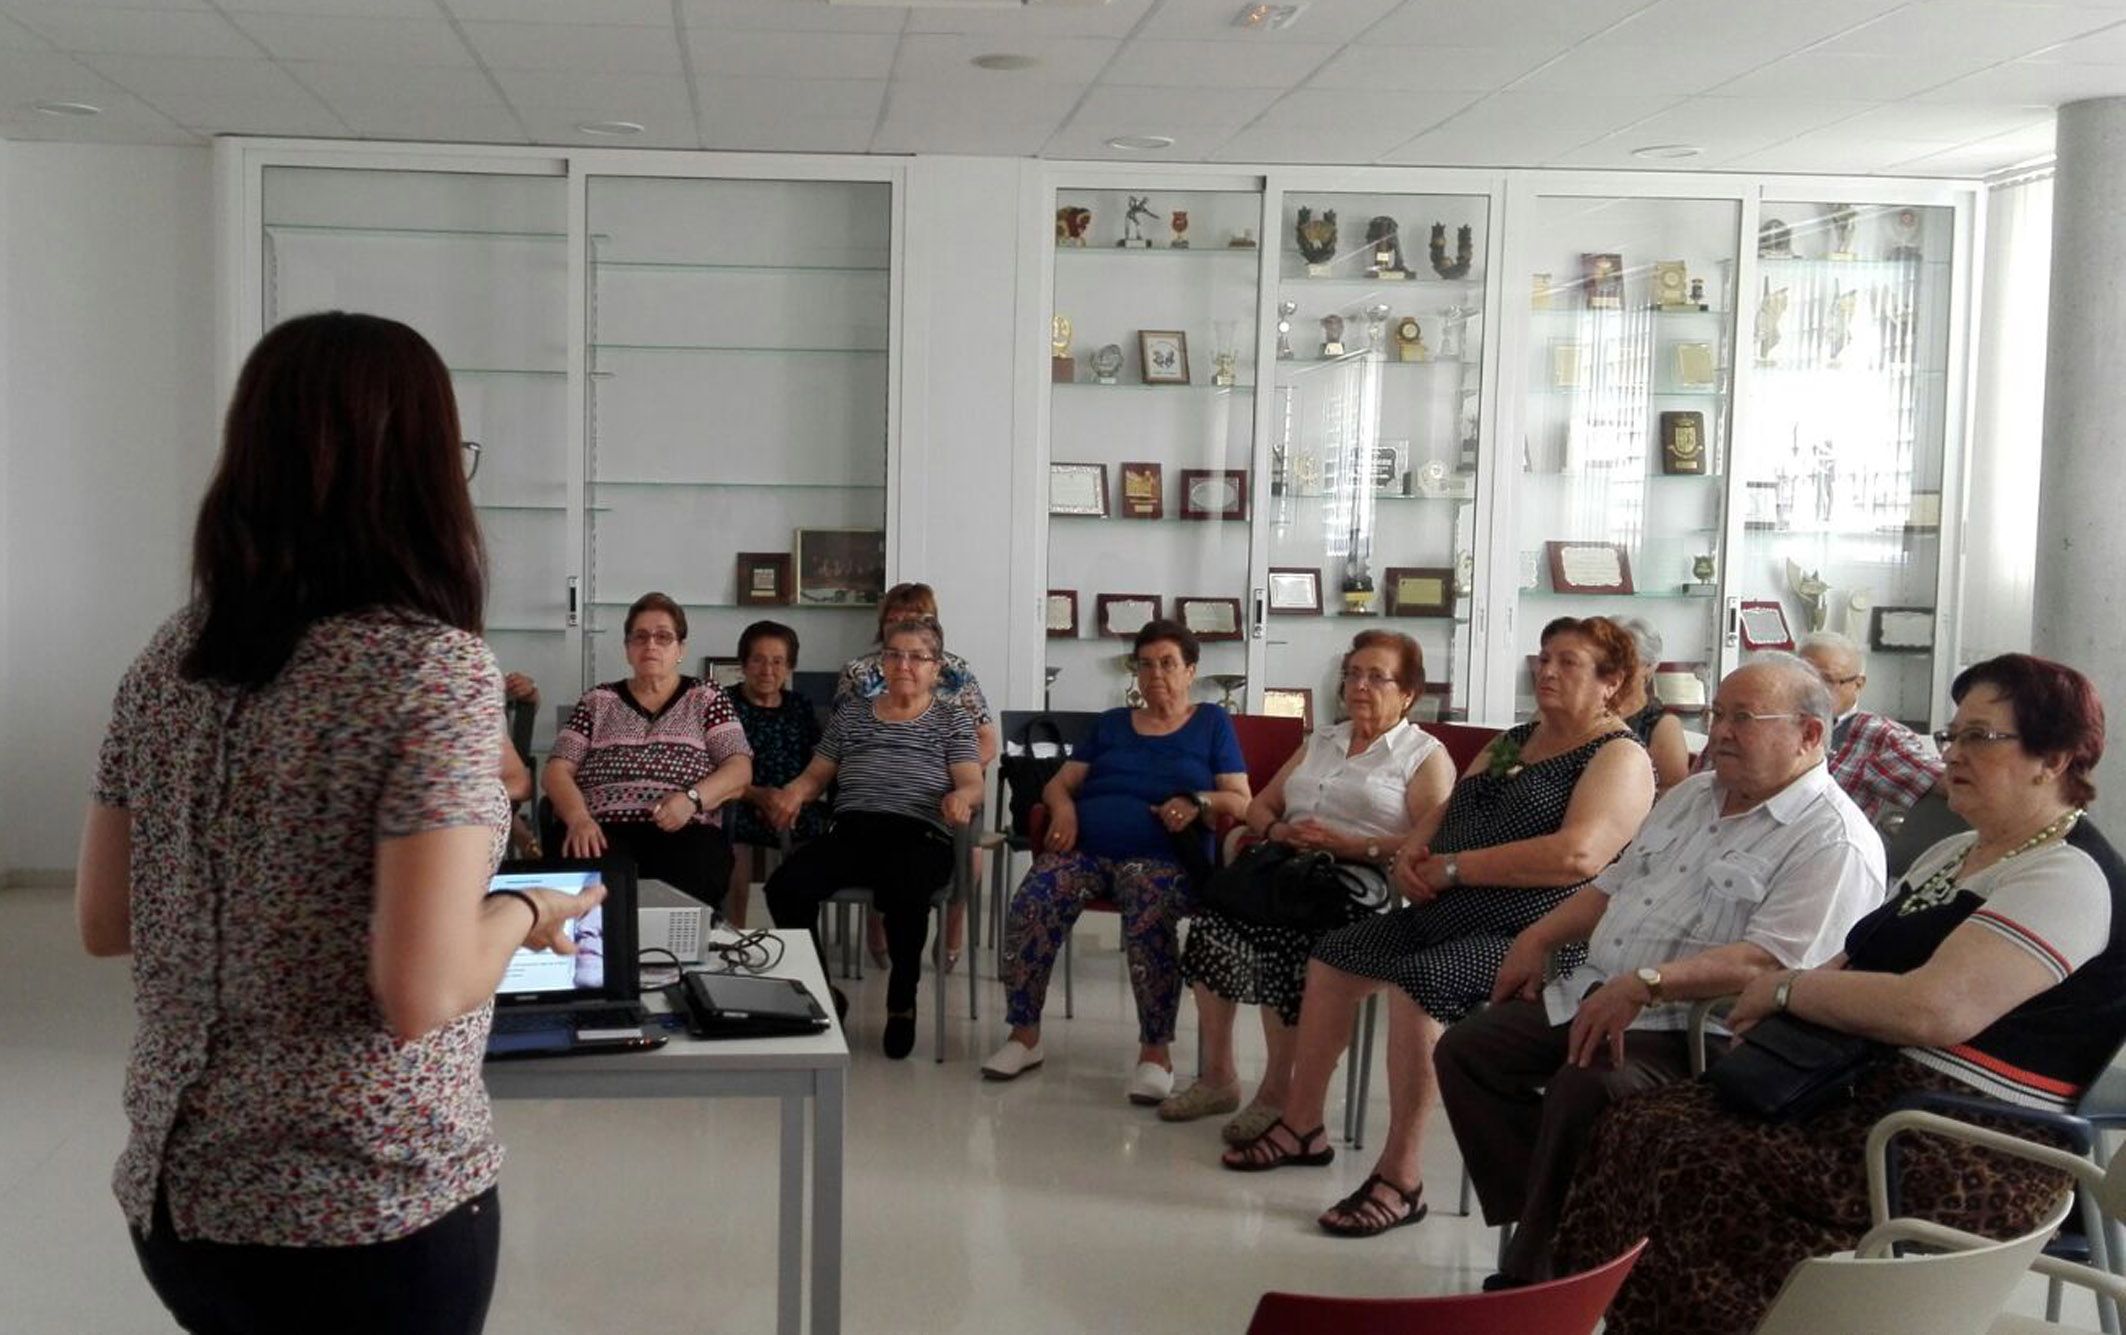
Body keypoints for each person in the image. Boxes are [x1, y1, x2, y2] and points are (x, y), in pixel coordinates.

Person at [75, 311, 603, 1334]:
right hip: (368, 1208)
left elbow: (105, 920)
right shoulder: (430, 668)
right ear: (419, 472)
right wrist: (527, 909)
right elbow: (421, 991)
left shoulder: (169, 659)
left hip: (183, 1200)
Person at [1554, 653, 2126, 1335]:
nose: (1953, 754)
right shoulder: (1961, 851)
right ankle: (1597, 1314)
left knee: (1689, 1160)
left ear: (2054, 757)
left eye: (1982, 736)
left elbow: (1933, 1009)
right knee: (1639, 1125)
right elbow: (1855, 954)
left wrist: (1789, 990)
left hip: (1954, 1141)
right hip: (1860, 1092)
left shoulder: (2068, 876)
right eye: (1953, 735)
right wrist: (1787, 1001)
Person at [1435, 655, 1884, 1289]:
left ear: (1810, 735)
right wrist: (1538, 936)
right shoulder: (1697, 795)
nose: (1721, 732)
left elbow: (1770, 962)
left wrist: (1646, 983)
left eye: (1744, 720)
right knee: (1468, 1051)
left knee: (1583, 1085)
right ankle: (1565, 1213)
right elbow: (1612, 886)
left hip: (1707, 1030)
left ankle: (1534, 1277)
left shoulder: (1834, 840)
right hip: (1598, 989)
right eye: (1718, 715)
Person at [1219, 616, 1654, 1242]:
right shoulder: (1517, 738)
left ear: (1612, 682)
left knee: (1420, 983)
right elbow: (1449, 809)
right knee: (1335, 957)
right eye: (1544, 658)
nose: (1548, 672)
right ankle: (1303, 1124)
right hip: (1447, 906)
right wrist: (1412, 858)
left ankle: (1401, 1176)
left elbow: (1578, 856)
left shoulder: (1619, 756)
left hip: (1534, 935)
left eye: (1569, 663)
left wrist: (1452, 868)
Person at [1161, 631, 1456, 1137]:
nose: (1360, 686)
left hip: (1361, 882)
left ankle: (1279, 1092)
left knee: (1290, 946)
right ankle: (1218, 1076)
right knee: (1210, 927)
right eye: (1353, 674)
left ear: (1408, 692)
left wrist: (1349, 845)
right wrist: (1278, 830)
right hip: (1287, 866)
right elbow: (1259, 805)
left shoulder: (1422, 755)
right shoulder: (1322, 740)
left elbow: (1430, 842)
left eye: (1377, 676)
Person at [981, 619, 1252, 1103]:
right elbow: (1059, 784)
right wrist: (1063, 808)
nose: (1155, 676)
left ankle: (1155, 1052)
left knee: (1147, 907)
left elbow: (1241, 802)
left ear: (1190, 670)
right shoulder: (1110, 724)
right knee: (1035, 897)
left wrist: (1198, 802)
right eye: (1145, 665)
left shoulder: (1211, 722)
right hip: (1088, 853)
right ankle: (1024, 1036)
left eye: (1167, 664)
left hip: (1162, 859)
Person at [764, 617, 986, 1059]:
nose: (903, 664)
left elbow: (972, 781)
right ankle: (823, 990)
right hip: (853, 832)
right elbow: (816, 775)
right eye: (893, 654)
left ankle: (902, 1001)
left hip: (919, 834)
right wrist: (794, 792)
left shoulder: (951, 718)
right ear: (882, 661)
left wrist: (962, 796)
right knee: (784, 888)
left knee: (907, 892)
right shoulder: (852, 713)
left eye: (916, 657)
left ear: (936, 668)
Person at [543, 592, 753, 910]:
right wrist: (577, 818)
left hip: (683, 824)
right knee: (593, 880)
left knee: (694, 867)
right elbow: (556, 770)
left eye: (663, 637)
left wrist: (692, 800)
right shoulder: (598, 700)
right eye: (640, 637)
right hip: (600, 827)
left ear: (680, 649)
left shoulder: (706, 697)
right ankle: (606, 958)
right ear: (628, 649)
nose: (650, 645)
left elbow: (739, 769)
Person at [838, 582, 998, 971]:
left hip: (948, 786)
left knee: (971, 856)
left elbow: (987, 739)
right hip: (881, 788)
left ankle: (953, 929)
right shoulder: (860, 670)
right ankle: (878, 925)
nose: (902, 624)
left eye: (913, 618)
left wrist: (956, 775)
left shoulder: (956, 671)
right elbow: (845, 737)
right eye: (894, 618)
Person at [724, 620, 828, 928]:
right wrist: (758, 796)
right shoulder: (723, 704)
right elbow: (714, 766)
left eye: (778, 661)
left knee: (818, 838)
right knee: (729, 837)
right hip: (738, 801)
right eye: (758, 659)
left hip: (794, 803)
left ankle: (799, 939)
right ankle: (735, 935)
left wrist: (793, 797)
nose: (767, 670)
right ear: (743, 663)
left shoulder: (800, 706)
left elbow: (818, 763)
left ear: (790, 667)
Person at [1798, 629, 1944, 823]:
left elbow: (1955, 783)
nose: (1812, 689)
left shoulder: (1876, 735)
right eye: (1802, 678)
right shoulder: (1774, 722)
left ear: (1858, 684)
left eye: (1826, 680)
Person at [1612, 616, 1690, 793]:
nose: (1613, 669)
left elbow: (1671, 794)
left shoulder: (1663, 725)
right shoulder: (1582, 709)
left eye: (1625, 661)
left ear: (1649, 667)